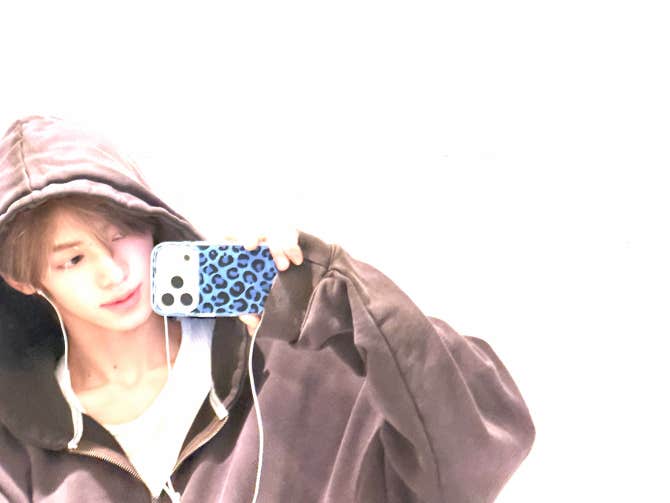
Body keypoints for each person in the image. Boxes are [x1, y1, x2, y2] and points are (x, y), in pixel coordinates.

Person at [0, 116, 535, 503]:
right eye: (73, 259)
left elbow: (479, 452)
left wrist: (342, 298)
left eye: (120, 235)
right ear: (23, 280)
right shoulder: (18, 452)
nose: (112, 272)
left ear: (150, 223)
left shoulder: (296, 368)